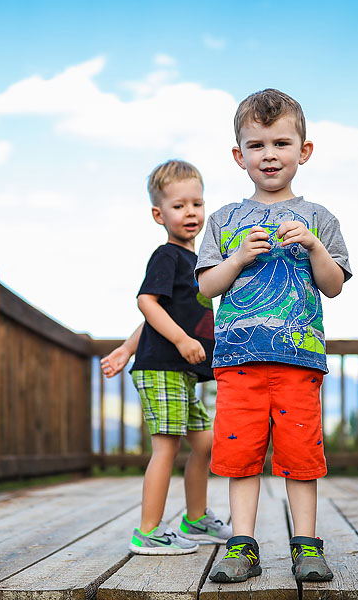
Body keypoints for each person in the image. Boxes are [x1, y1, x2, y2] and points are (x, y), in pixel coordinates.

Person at [195, 89, 351, 583]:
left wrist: (313, 249)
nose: (269, 155)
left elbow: (334, 286)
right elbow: (205, 287)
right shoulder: (222, 220)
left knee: (301, 455)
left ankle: (306, 545)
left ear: (303, 151)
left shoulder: (320, 218)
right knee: (239, 457)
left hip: (299, 361)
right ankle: (243, 545)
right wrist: (237, 259)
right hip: (238, 360)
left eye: (281, 143)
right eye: (257, 145)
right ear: (239, 156)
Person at [100, 159, 233, 555]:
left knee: (204, 443)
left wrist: (126, 348)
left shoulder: (198, 264)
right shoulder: (167, 256)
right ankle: (149, 531)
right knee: (167, 446)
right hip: (164, 367)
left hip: (181, 370)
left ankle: (194, 519)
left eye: (197, 203)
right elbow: (147, 302)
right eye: (179, 206)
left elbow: (162, 313)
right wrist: (180, 340)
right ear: (159, 214)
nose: (190, 212)